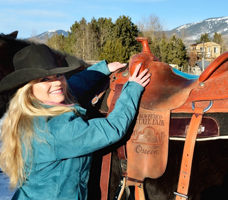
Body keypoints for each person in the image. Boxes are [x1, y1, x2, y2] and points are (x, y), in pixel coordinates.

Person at [0, 44, 151, 200]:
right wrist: (133, 87)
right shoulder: (54, 129)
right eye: (45, 79)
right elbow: (112, 128)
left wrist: (102, 69)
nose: (57, 83)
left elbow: (74, 85)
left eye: (58, 75)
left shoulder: (30, 111)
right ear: (28, 90)